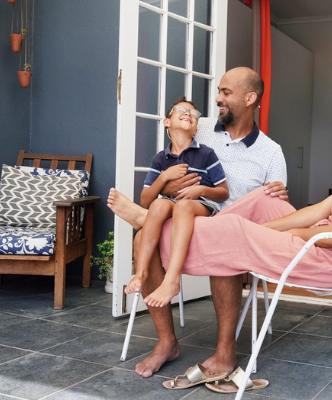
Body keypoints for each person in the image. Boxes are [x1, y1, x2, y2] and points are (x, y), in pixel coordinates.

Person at [110, 100, 332, 390]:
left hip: (331, 257)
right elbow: (318, 210)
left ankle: (150, 222)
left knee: (231, 231)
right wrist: (263, 228)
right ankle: (166, 225)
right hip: (318, 236)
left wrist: (263, 232)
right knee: (262, 198)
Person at [108, 67, 288, 378]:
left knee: (222, 240)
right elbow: (170, 162)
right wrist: (166, 186)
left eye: (226, 93)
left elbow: (276, 211)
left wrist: (280, 192)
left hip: (231, 233)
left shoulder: (271, 153)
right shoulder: (200, 128)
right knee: (142, 240)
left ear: (250, 98)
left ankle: (225, 351)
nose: (217, 98)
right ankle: (166, 342)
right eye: (218, 90)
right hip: (186, 219)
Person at [130, 97, 229, 308]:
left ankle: (172, 278)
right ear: (167, 122)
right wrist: (165, 177)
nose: (189, 114)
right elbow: (146, 200)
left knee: (183, 205)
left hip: (201, 204)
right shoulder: (160, 159)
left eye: (194, 114)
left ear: (195, 129)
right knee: (158, 205)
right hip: (169, 201)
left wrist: (201, 189)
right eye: (181, 110)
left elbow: (223, 192)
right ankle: (140, 272)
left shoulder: (206, 154)